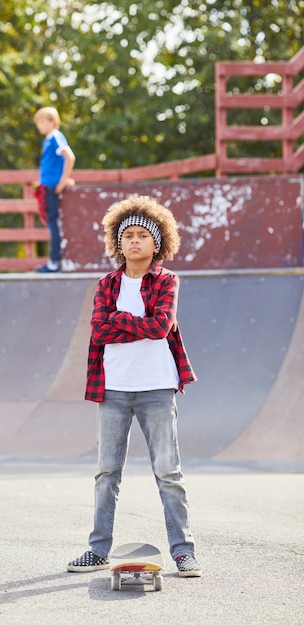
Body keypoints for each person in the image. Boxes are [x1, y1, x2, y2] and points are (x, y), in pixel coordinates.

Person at [67, 196, 202, 577]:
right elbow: (99, 328)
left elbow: (161, 326)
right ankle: (97, 550)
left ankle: (183, 552)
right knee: (107, 473)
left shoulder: (167, 281)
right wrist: (134, 322)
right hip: (112, 389)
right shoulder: (107, 283)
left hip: (157, 388)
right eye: (128, 235)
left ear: (156, 244)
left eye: (143, 235)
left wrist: (120, 321)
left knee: (168, 472)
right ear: (118, 242)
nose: (134, 242)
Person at [33, 107, 76, 273]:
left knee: (53, 224)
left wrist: (63, 180)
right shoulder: (48, 140)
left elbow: (69, 157)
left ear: (52, 121)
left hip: (52, 188)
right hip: (48, 185)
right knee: (51, 223)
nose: (39, 126)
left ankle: (54, 262)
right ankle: (54, 260)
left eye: (42, 122)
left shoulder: (55, 137)